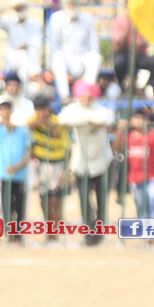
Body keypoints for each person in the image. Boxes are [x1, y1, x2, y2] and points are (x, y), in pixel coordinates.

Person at [58, 81, 114, 236]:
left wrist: (84, 120)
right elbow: (62, 119)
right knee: (84, 198)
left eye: (88, 96)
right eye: (82, 96)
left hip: (102, 160)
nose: (85, 100)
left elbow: (104, 119)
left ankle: (100, 231)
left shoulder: (100, 109)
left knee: (102, 198)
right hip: (81, 161)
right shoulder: (72, 109)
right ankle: (88, 230)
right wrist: (88, 121)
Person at [0, 100, 31, 242]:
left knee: (19, 205)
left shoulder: (22, 130)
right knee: (6, 205)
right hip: (4, 174)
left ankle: (18, 235)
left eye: (7, 110)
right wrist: (2, 123)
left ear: (11, 111)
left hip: (19, 175)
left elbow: (29, 152)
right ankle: (9, 234)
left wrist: (16, 167)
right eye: (2, 110)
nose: (5, 112)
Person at [28, 94, 69, 243]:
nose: (40, 113)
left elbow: (66, 146)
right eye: (37, 109)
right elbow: (28, 125)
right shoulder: (33, 120)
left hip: (57, 164)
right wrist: (46, 124)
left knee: (55, 201)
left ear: (49, 109)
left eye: (43, 109)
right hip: (41, 165)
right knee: (44, 200)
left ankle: (55, 235)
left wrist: (66, 170)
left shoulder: (59, 122)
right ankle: (49, 232)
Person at [48, 0, 102, 101]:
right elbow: (54, 44)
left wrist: (93, 53)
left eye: (74, 3)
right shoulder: (56, 18)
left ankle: (85, 94)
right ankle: (64, 96)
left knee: (95, 57)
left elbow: (93, 42)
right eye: (69, 3)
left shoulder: (87, 18)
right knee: (57, 57)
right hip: (66, 56)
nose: (71, 6)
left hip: (83, 56)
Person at [109, 6, 154, 95]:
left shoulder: (144, 21)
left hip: (139, 54)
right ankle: (122, 87)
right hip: (123, 54)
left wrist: (131, 45)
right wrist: (128, 25)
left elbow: (146, 40)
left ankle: (146, 89)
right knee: (119, 63)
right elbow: (118, 45)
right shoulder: (119, 20)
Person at [123, 108, 154, 220]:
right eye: (136, 118)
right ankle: (145, 227)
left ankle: (153, 227)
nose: (139, 121)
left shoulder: (153, 135)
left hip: (152, 176)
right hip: (135, 178)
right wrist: (120, 130)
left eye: (142, 118)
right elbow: (116, 148)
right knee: (140, 206)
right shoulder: (128, 136)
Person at [0, 0, 42, 85]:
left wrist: (26, 47)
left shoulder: (36, 25)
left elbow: (36, 46)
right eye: (17, 8)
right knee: (23, 55)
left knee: (25, 55)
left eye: (22, 7)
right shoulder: (9, 22)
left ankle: (27, 85)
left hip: (29, 60)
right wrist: (8, 7)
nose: (20, 10)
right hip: (13, 61)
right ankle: (40, 82)